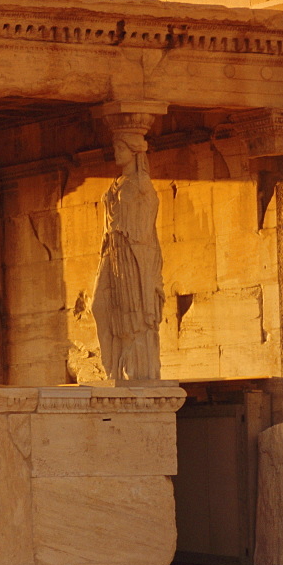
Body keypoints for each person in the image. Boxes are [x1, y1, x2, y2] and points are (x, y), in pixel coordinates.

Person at [92, 132, 165, 381]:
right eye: (115, 148)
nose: (116, 153)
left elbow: (147, 220)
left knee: (134, 311)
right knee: (99, 306)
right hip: (112, 250)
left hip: (133, 252)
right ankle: (113, 366)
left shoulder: (142, 184)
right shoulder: (116, 183)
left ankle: (136, 371)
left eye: (120, 148)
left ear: (134, 152)